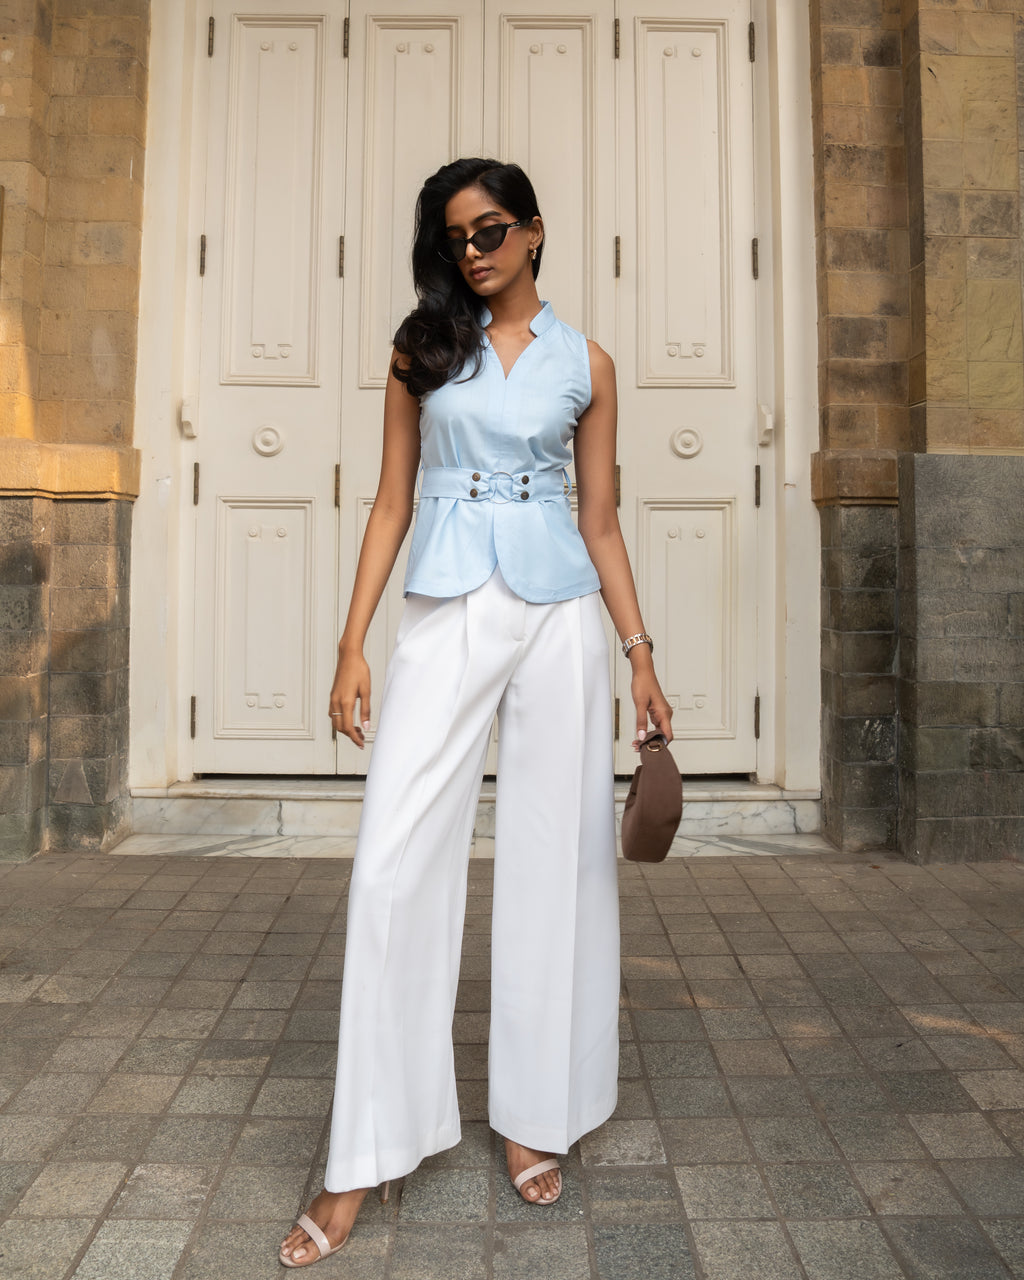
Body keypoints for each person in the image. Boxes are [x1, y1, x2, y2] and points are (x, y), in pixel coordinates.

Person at [279, 157, 673, 1268]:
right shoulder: (421, 350)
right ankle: (364, 1151)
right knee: (391, 866)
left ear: (535, 232)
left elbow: (599, 519)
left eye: (491, 229)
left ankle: (531, 1115)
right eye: (454, 236)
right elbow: (393, 497)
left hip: (559, 621)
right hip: (447, 609)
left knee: (558, 863)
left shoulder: (586, 363)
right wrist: (352, 641)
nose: (473, 250)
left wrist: (638, 653)